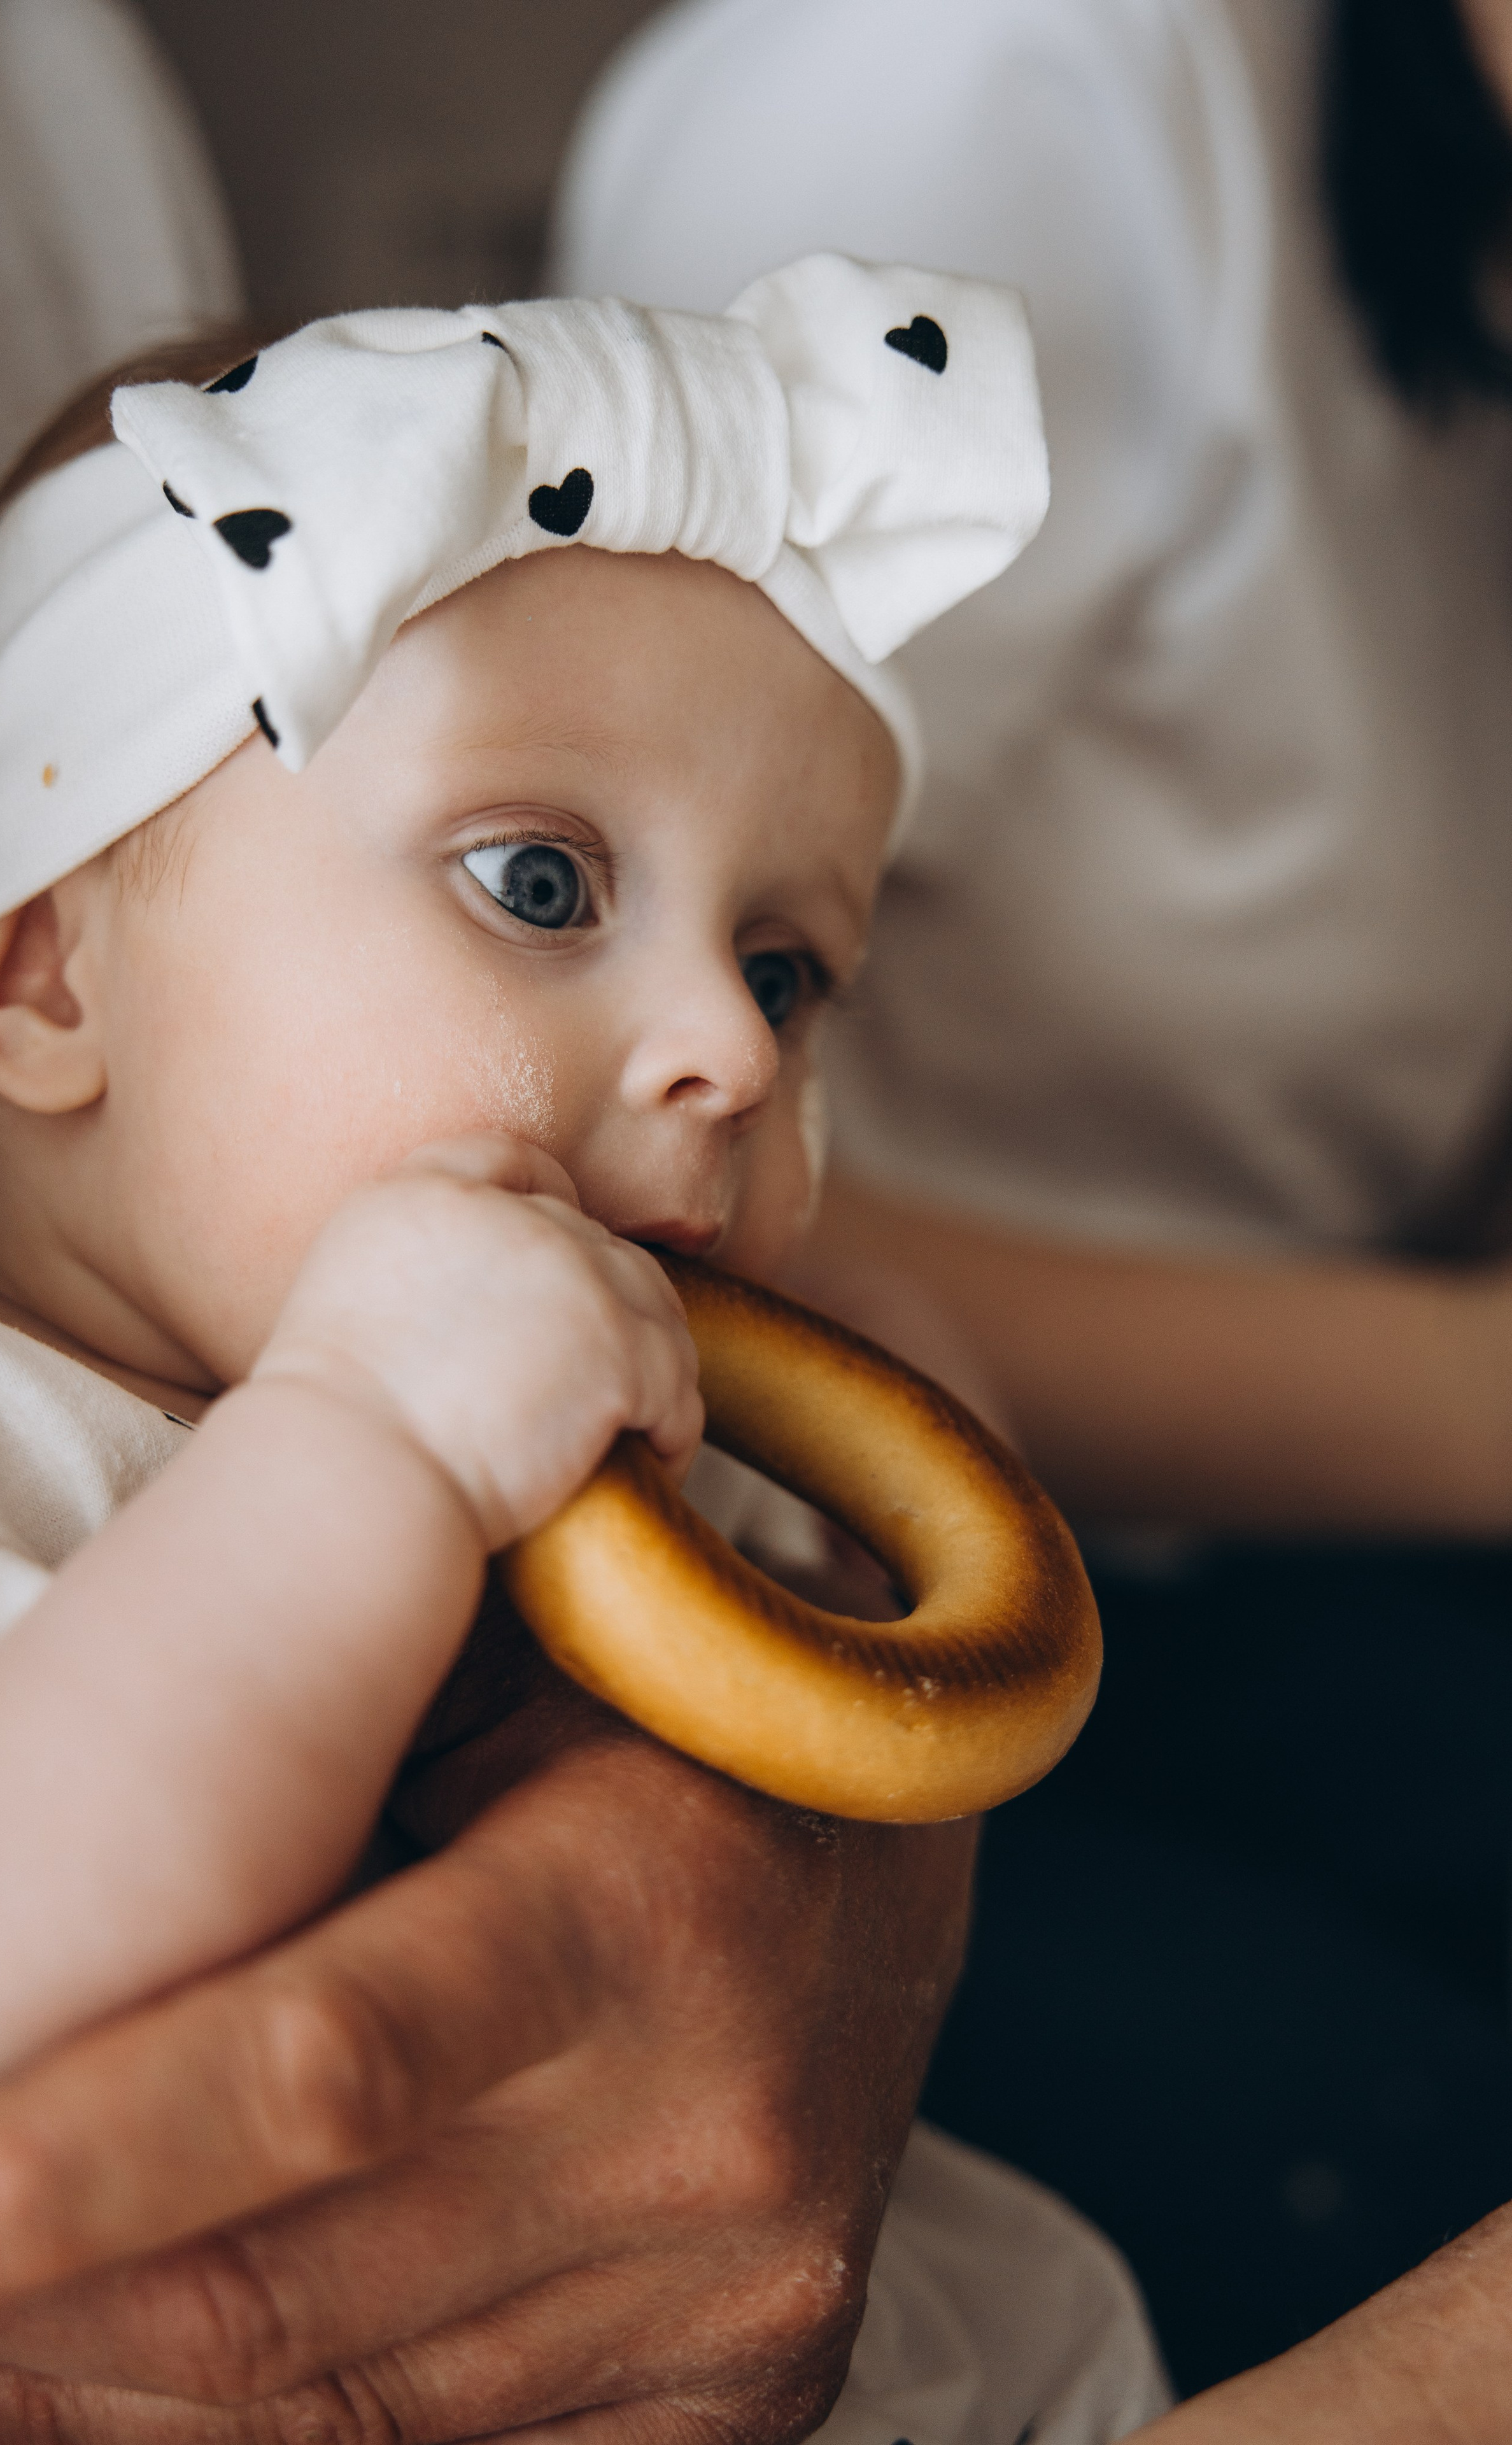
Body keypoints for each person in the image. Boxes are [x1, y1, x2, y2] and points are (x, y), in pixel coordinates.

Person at [0, 10, 1148, 2442]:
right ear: (47, 974)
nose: (738, 1052)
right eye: (540, 882)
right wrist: (355, 1442)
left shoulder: (607, 1429)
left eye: (790, 965)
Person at [553, 0, 1512, 2402]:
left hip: (1263, 1544)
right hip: (825, 1571)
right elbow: (617, 1140)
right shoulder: (983, 96)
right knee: (1393, 2133)